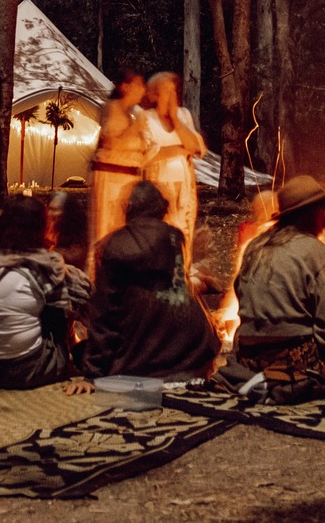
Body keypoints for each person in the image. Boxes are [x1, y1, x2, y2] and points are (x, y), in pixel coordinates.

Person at [74, 180, 221, 381]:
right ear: (162, 209)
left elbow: (106, 313)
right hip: (193, 349)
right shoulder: (174, 237)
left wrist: (93, 371)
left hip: (142, 355)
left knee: (79, 352)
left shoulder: (112, 245)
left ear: (128, 208)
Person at [225, 174, 325, 404]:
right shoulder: (317, 252)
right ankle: (293, 382)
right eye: (323, 213)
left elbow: (242, 296)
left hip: (248, 358)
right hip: (294, 357)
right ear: (311, 213)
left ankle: (260, 380)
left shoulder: (254, 246)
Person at [0, 193, 89, 389]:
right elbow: (86, 292)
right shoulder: (47, 262)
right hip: (26, 369)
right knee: (58, 301)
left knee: (43, 297)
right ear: (41, 227)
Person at [88, 70, 150, 273]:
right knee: (107, 229)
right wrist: (137, 127)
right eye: (139, 84)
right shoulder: (113, 108)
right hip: (112, 179)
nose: (143, 89)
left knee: (121, 228)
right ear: (125, 86)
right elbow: (113, 143)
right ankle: (100, 274)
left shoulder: (130, 113)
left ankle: (118, 272)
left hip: (127, 179)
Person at [140, 72, 206, 260]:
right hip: (159, 186)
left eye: (173, 90)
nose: (171, 95)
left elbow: (195, 147)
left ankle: (182, 272)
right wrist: (179, 149)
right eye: (166, 90)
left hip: (184, 186)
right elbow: (147, 155)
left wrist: (175, 120)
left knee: (184, 232)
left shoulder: (183, 115)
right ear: (154, 95)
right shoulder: (145, 118)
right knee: (161, 233)